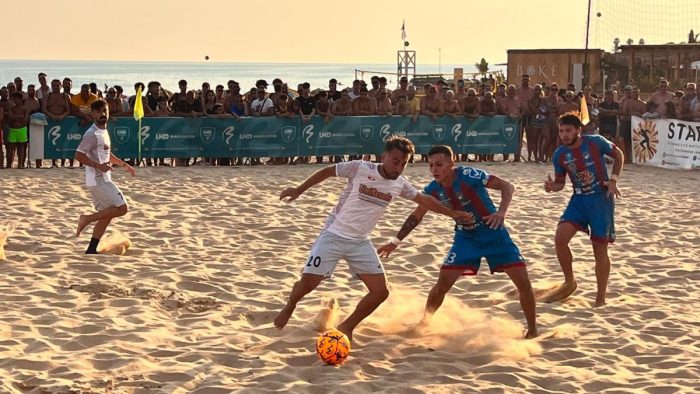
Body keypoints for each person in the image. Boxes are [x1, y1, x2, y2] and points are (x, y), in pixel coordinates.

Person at [273, 137, 474, 342]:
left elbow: (425, 200)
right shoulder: (360, 167)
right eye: (395, 161)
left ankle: (346, 327)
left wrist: (452, 214)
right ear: (383, 157)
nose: (399, 167)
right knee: (308, 284)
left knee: (380, 292)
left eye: (404, 163)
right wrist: (298, 190)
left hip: (360, 242)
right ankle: (290, 305)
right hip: (334, 234)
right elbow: (327, 171)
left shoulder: (400, 184)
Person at [377, 145, 538, 338]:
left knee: (523, 282)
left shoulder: (468, 175)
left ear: (451, 164)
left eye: (439, 164)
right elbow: (416, 216)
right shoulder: (432, 189)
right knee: (442, 283)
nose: (434, 169)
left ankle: (532, 329)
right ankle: (424, 323)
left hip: (495, 235)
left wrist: (501, 212)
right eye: (430, 166)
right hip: (466, 239)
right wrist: (395, 241)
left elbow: (507, 186)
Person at [543, 113, 624, 307]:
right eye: (561, 131)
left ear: (578, 130)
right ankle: (569, 281)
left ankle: (600, 298)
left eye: (568, 130)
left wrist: (613, 180)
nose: (564, 134)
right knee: (560, 238)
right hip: (578, 200)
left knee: (599, 250)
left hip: (600, 200)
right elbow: (561, 183)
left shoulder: (595, 142)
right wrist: (552, 187)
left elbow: (619, 154)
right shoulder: (559, 155)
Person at [74, 99, 136, 254]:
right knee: (122, 208)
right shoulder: (92, 133)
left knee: (106, 216)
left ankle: (91, 249)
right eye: (99, 112)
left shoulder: (103, 130)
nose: (103, 114)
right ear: (93, 114)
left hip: (101, 178)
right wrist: (97, 165)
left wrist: (124, 165)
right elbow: (78, 155)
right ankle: (86, 219)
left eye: (105, 111)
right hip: (97, 179)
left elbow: (107, 154)